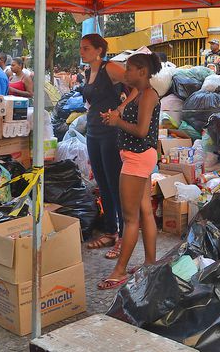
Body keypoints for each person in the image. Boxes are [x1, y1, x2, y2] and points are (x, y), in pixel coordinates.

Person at [97, 52, 161, 289]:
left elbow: (142, 131)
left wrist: (117, 123)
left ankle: (120, 270)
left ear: (142, 72)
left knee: (130, 218)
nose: (125, 73)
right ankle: (150, 263)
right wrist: (116, 116)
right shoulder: (141, 94)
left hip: (137, 159)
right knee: (144, 212)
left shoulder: (148, 96)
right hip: (139, 157)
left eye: (129, 69)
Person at [80, 34, 131, 260]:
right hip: (92, 131)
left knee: (114, 184)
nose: (82, 52)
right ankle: (110, 231)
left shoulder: (110, 68)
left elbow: (139, 86)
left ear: (99, 50)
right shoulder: (87, 71)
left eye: (86, 48)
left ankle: (123, 237)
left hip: (111, 133)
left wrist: (120, 109)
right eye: (81, 48)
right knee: (102, 184)